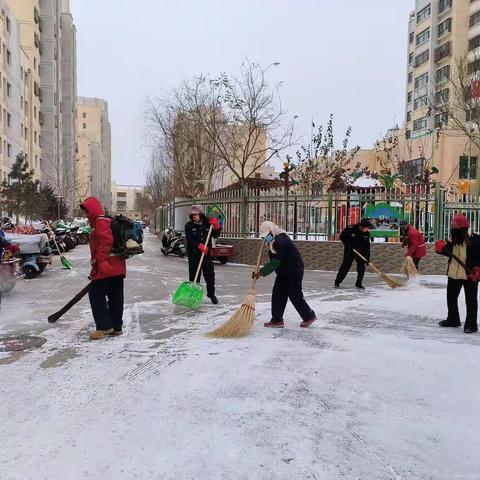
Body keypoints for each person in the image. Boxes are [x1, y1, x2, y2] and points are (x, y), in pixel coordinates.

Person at [254, 221, 316, 328]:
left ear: (272, 231)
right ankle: (277, 320)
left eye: (267, 235)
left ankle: (309, 316)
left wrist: (261, 273)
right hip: (284, 271)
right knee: (278, 293)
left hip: (294, 270)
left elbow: (275, 263)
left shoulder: (281, 241)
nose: (266, 238)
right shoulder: (274, 240)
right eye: (264, 237)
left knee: (294, 294)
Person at [80, 197, 127, 340]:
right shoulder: (104, 221)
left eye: (86, 211)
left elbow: (106, 241)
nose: (86, 214)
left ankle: (104, 326)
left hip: (108, 266)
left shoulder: (100, 222)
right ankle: (116, 327)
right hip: (117, 266)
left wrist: (101, 262)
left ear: (92, 210)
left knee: (95, 293)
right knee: (115, 297)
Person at [435, 213, 480, 334]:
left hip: (469, 274)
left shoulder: (475, 240)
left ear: (464, 229)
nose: (455, 231)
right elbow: (449, 252)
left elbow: (478, 257)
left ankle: (471, 324)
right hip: (453, 273)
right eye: (454, 228)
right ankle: (453, 319)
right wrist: (440, 249)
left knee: (471, 300)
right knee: (451, 297)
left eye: (457, 229)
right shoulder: (453, 238)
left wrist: (477, 268)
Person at [184, 205, 221, 304]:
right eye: (192, 215)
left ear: (200, 214)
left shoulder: (207, 223)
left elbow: (215, 235)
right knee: (194, 276)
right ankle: (193, 295)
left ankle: (211, 294)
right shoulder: (188, 226)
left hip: (206, 255)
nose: (194, 217)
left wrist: (217, 226)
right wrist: (199, 245)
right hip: (194, 254)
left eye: (196, 215)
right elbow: (190, 240)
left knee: (210, 275)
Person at [334, 218, 371, 289]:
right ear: (361, 226)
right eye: (366, 227)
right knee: (345, 267)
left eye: (368, 227)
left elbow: (367, 246)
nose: (367, 229)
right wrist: (348, 245)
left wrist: (367, 258)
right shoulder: (351, 229)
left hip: (361, 253)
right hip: (350, 251)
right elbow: (342, 236)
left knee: (361, 269)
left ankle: (359, 283)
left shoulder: (366, 233)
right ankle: (337, 282)